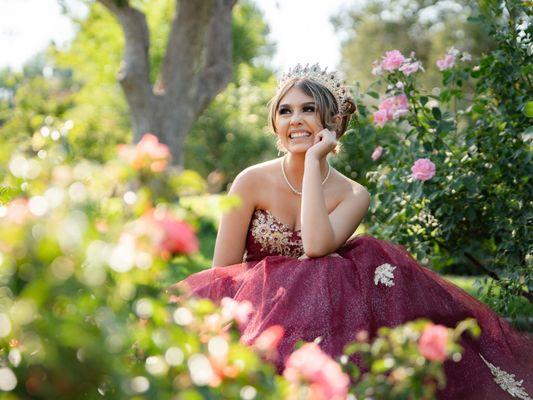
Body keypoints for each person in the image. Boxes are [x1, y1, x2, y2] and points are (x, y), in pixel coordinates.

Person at [174, 64, 533, 399]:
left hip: (327, 313)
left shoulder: (353, 194)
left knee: (327, 267)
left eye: (308, 109)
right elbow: (223, 272)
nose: (295, 120)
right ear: (275, 122)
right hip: (258, 309)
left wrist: (314, 162)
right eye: (286, 111)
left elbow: (315, 247)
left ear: (332, 122)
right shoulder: (250, 181)